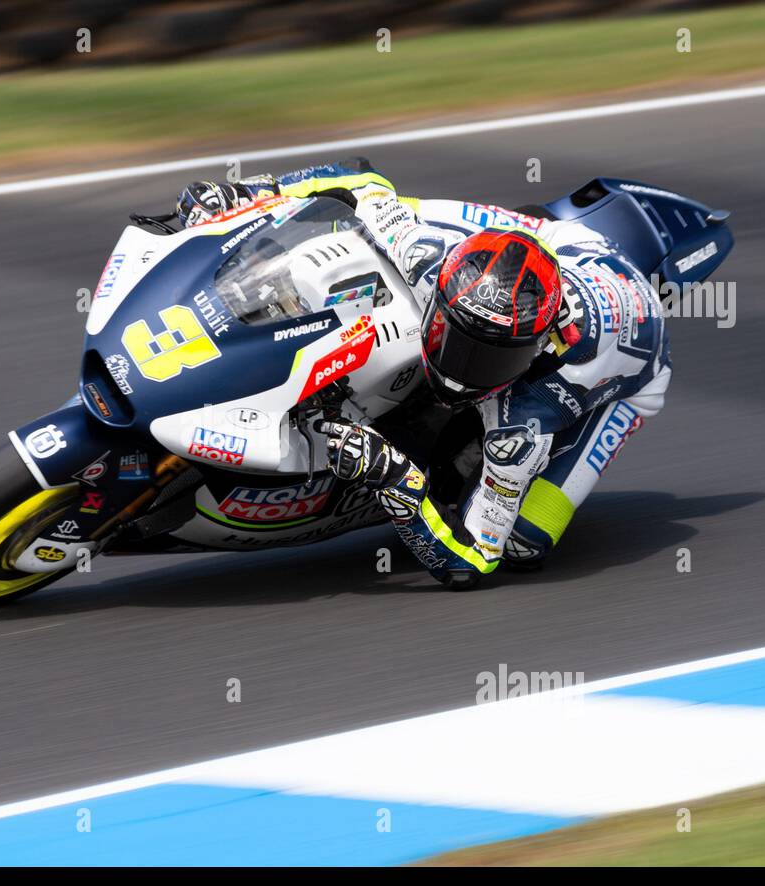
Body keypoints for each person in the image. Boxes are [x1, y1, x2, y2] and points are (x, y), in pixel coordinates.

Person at [176, 160, 671, 589]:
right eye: (457, 340)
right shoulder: (427, 256)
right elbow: (361, 184)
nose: (462, 373)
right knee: (370, 222)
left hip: (636, 371)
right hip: (569, 244)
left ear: (538, 348)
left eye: (491, 358)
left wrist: (394, 480)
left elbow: (474, 561)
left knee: (524, 542)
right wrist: (247, 194)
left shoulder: (526, 418)